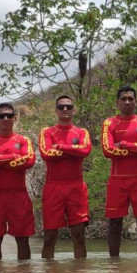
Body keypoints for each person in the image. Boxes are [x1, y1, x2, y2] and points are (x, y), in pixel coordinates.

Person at [101, 85, 137, 257]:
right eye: (123, 99)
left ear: (136, 102)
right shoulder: (110, 123)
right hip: (117, 180)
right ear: (117, 102)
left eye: (130, 99)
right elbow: (107, 150)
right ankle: (114, 267)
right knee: (115, 224)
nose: (127, 102)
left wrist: (125, 145)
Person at [0, 103, 36, 260]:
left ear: (15, 118)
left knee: (23, 239)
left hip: (19, 195)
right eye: (1, 116)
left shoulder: (24, 140)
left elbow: (29, 161)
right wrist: (12, 157)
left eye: (9, 116)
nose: (5, 118)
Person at [38, 95, 91, 258]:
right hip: (54, 187)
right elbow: (46, 153)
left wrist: (60, 147)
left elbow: (85, 150)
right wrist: (73, 150)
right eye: (61, 107)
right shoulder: (47, 132)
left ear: (74, 110)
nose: (65, 110)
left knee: (79, 237)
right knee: (49, 238)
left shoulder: (82, 132)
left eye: (68, 106)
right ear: (56, 111)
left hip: (76, 187)